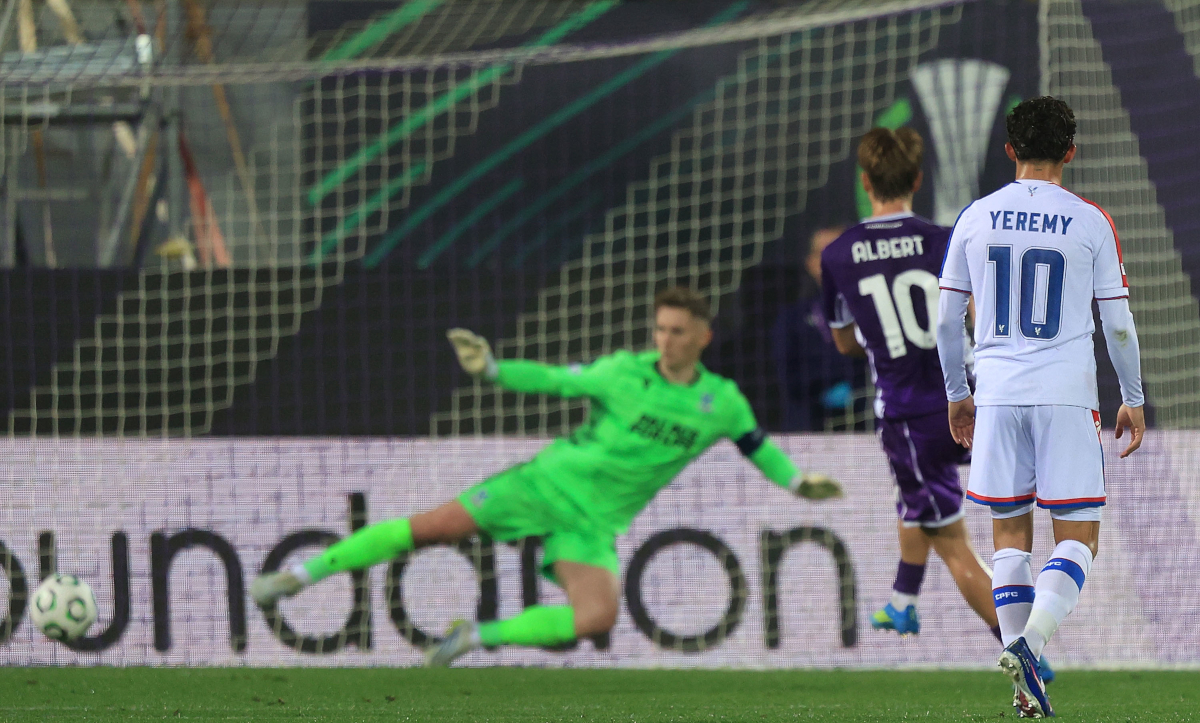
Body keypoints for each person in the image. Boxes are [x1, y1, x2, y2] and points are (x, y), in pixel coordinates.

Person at [251, 286, 843, 665]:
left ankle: (473, 638)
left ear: (703, 337)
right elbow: (556, 380)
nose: (665, 340)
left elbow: (757, 446)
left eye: (677, 331)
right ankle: (297, 577)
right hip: (543, 484)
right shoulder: (621, 372)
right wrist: (494, 370)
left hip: (593, 523)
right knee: (431, 528)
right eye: (659, 329)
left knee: (593, 619)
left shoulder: (722, 401)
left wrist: (796, 484)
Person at [937, 97, 1145, 717]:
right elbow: (1120, 326)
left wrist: (958, 395)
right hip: (1066, 393)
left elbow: (948, 322)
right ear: (1070, 153)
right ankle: (1030, 645)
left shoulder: (976, 216)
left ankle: (1023, 689)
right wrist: (1132, 398)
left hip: (996, 393)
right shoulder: (1089, 220)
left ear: (1009, 151)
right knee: (1079, 537)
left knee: (1009, 538)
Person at [818, 127, 1011, 660]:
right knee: (931, 505)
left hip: (909, 415)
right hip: (972, 400)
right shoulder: (947, 239)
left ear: (864, 183)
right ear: (917, 180)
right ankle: (903, 598)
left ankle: (1024, 647)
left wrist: (882, 339)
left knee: (954, 545)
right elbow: (980, 318)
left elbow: (842, 342)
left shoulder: (837, 255)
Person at [772, 227, 866, 431]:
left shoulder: (878, 311)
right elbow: (787, 376)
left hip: (870, 425)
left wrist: (858, 392)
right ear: (811, 264)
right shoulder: (791, 319)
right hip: (810, 431)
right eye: (825, 252)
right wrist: (823, 391)